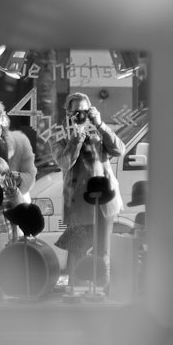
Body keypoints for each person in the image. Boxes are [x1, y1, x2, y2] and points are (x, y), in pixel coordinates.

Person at [51, 92, 125, 289]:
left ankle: (103, 292)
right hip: (78, 203)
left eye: (85, 111)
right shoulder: (59, 135)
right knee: (77, 251)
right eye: (76, 112)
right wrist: (75, 138)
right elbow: (64, 162)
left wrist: (100, 124)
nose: (81, 116)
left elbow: (119, 150)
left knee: (103, 252)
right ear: (67, 112)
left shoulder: (99, 129)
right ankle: (75, 292)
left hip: (105, 199)